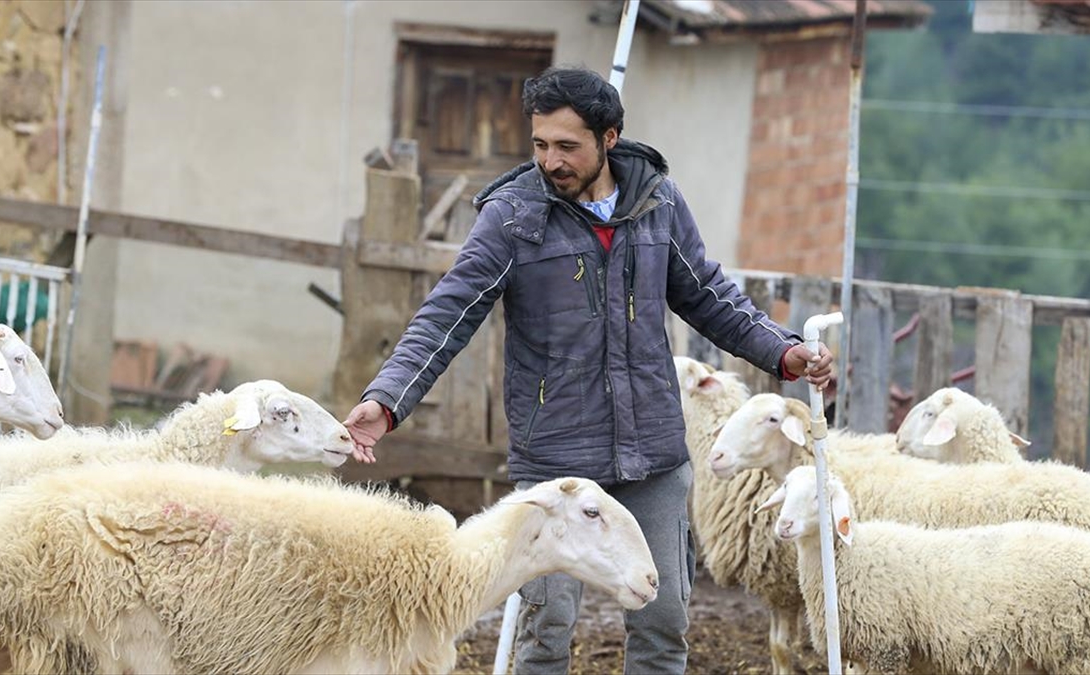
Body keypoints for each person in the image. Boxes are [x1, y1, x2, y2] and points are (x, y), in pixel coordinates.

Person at [344, 66, 833, 674]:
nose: (551, 160)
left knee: (663, 619)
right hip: (555, 461)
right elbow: (451, 309)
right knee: (545, 629)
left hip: (651, 451)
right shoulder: (512, 217)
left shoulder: (657, 202)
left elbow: (708, 293)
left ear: (610, 138)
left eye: (567, 146)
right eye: (540, 144)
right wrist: (389, 397)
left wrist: (782, 351)